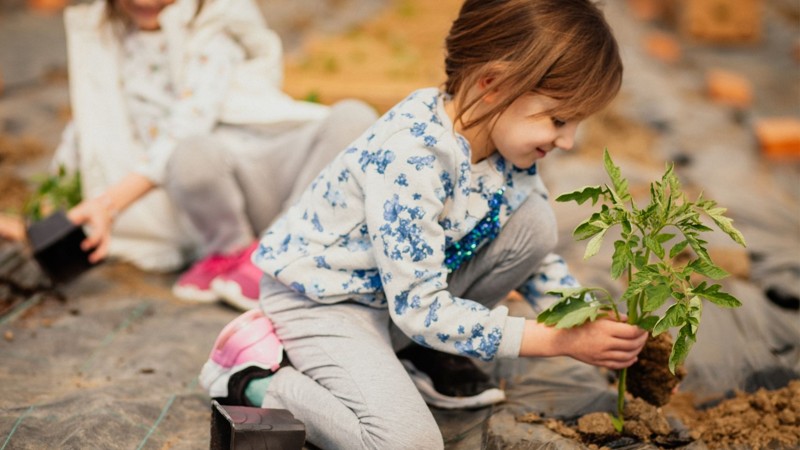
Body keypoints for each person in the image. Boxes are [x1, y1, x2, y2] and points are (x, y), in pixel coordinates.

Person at [199, 0, 649, 447]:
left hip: (392, 303)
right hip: (325, 303)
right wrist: (556, 341)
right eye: (559, 119)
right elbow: (420, 308)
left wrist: (585, 318)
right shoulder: (413, 157)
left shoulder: (503, 148)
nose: (568, 141)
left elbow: (534, 259)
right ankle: (255, 376)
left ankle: (420, 352)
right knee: (407, 443)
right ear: (492, 85)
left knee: (534, 222)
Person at [50, 0, 377, 310]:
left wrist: (109, 204)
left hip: (274, 169)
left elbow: (190, 120)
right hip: (215, 190)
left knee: (353, 117)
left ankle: (286, 249)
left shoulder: (211, 26)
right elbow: (90, 132)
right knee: (190, 155)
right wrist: (50, 217)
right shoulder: (109, 45)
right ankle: (233, 249)